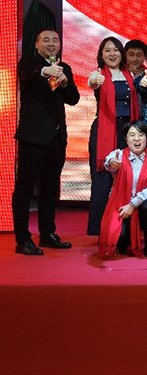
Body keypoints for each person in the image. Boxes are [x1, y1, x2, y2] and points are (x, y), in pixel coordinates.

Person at [13, 29, 80, 255]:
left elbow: (74, 99)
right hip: (32, 137)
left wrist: (65, 82)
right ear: (37, 44)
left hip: (56, 138)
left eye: (55, 40)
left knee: (50, 188)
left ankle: (47, 233)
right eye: (46, 40)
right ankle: (22, 239)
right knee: (24, 187)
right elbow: (27, 73)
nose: (51, 44)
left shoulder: (64, 67)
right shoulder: (28, 63)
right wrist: (45, 71)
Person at [86, 37, 139, 236]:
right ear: (101, 55)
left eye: (116, 50)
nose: (112, 54)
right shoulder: (98, 74)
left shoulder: (129, 75)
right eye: (107, 50)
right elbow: (92, 83)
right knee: (102, 179)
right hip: (105, 130)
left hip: (127, 129)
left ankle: (125, 228)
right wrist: (95, 81)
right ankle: (99, 228)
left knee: (127, 177)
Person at [98, 120, 147, 258]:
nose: (136, 139)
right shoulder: (118, 155)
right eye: (132, 135)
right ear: (126, 139)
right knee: (119, 245)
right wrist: (112, 164)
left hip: (142, 208)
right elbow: (109, 163)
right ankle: (126, 237)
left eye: (141, 135)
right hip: (122, 209)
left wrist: (133, 205)